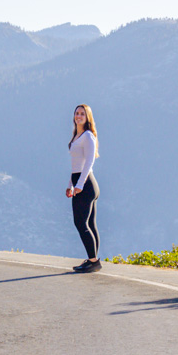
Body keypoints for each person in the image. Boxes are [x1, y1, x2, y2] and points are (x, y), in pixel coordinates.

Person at [66, 103, 101, 272]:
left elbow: (89, 162)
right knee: (90, 224)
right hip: (80, 182)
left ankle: (93, 261)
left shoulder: (88, 136)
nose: (78, 116)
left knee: (80, 223)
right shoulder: (77, 135)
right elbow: (75, 164)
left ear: (88, 117)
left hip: (86, 184)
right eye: (77, 113)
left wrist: (79, 184)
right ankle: (92, 259)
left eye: (82, 114)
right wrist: (70, 185)